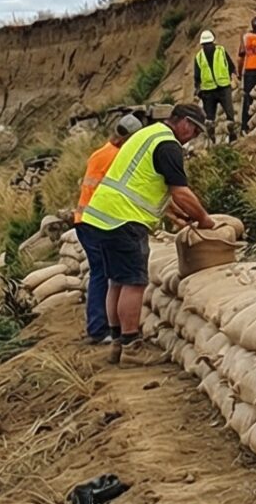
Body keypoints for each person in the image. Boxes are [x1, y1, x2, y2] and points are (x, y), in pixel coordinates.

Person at [77, 102, 215, 363]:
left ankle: (117, 343)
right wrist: (204, 220)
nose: (193, 138)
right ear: (185, 123)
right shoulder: (168, 145)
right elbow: (181, 191)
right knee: (134, 282)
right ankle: (131, 347)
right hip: (124, 219)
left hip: (102, 217)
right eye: (195, 131)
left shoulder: (146, 134)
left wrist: (173, 212)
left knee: (116, 281)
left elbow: (146, 182)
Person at [72, 118, 131, 341]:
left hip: (85, 220)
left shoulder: (100, 153)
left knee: (102, 272)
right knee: (102, 273)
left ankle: (104, 324)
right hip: (94, 222)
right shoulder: (116, 157)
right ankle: (98, 328)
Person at [191, 30, 235, 139]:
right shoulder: (202, 56)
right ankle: (220, 138)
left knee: (221, 116)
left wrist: (197, 87)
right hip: (214, 90)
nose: (208, 47)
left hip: (217, 88)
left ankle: (224, 138)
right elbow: (230, 65)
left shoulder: (218, 52)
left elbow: (229, 65)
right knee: (215, 118)